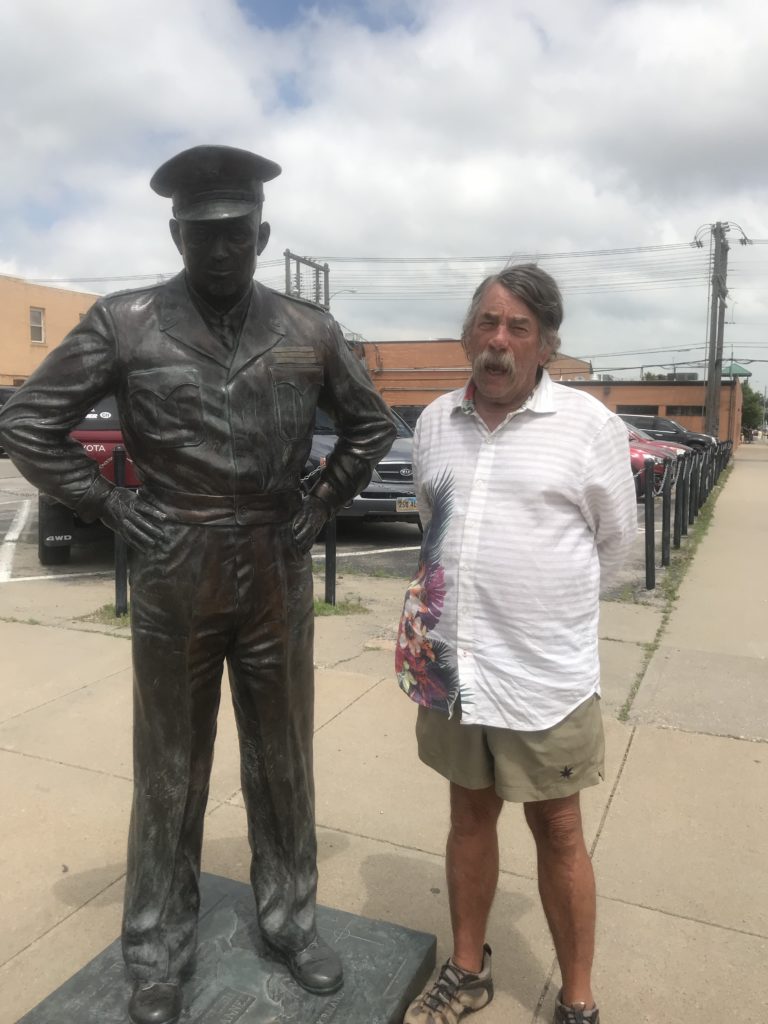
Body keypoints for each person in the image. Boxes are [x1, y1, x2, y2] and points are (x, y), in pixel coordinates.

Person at [0, 145, 396, 1024]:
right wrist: (107, 503)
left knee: (283, 757)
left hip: (274, 563)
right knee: (170, 768)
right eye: (202, 234)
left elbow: (371, 428)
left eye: (236, 234)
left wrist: (321, 501)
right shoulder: (124, 322)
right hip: (176, 559)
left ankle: (291, 919)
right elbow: (29, 422)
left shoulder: (309, 329)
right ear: (175, 233)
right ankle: (156, 947)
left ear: (263, 232)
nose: (221, 250)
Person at [395, 264, 637, 1024]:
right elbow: (432, 526)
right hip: (453, 669)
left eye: (518, 328)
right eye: (487, 323)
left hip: (542, 677)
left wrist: (538, 612)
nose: (498, 341)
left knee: (558, 829)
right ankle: (468, 970)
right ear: (470, 333)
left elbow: (618, 551)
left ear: (547, 345)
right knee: (468, 815)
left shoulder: (590, 427)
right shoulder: (434, 421)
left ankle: (576, 1000)